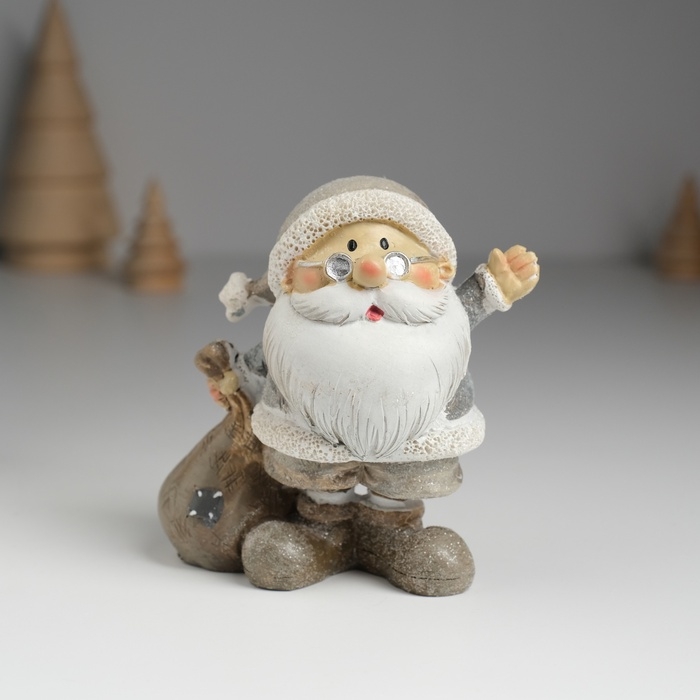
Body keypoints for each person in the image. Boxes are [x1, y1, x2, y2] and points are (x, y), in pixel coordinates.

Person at [217, 176, 539, 596]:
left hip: (414, 437)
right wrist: (234, 382)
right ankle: (320, 530)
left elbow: (465, 309)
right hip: (313, 437)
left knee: (402, 478)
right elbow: (261, 362)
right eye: (338, 266)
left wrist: (491, 288)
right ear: (294, 276)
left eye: (397, 262)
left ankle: (394, 531)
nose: (370, 274)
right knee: (319, 480)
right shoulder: (292, 330)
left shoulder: (438, 314)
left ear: (438, 270)